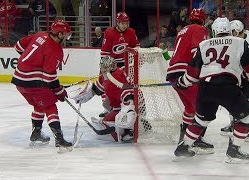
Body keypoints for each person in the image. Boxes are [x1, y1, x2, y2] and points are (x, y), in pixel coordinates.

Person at [174, 17, 249, 163]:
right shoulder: (240, 42)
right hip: (228, 87)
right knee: (248, 116)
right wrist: (244, 78)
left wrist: (182, 82)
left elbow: (192, 74)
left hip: (205, 89)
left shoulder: (204, 44)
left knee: (201, 120)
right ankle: (234, 150)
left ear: (214, 31)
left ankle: (184, 147)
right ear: (228, 30)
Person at [11, 20, 73, 148]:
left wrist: (32, 63)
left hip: (18, 80)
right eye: (66, 33)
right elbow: (49, 78)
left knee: (39, 105)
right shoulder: (56, 49)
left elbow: (18, 46)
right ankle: (59, 139)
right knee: (50, 107)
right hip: (33, 83)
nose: (67, 36)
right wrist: (59, 91)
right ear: (60, 33)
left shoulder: (39, 35)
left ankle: (36, 133)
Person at [163, 8, 213, 154]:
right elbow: (196, 53)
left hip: (173, 73)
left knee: (190, 108)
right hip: (185, 73)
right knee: (202, 108)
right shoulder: (200, 29)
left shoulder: (183, 30)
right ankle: (193, 140)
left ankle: (184, 138)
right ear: (202, 20)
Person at [71, 56, 148, 143]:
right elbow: (97, 90)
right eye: (102, 66)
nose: (103, 69)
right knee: (105, 107)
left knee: (126, 107)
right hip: (118, 106)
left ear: (111, 66)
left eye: (105, 66)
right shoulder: (104, 76)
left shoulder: (120, 74)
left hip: (133, 104)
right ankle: (129, 124)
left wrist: (129, 105)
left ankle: (132, 129)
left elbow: (130, 90)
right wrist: (84, 96)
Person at [99, 12, 140, 117]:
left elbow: (136, 46)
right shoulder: (109, 32)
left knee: (125, 85)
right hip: (111, 64)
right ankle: (108, 108)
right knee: (105, 85)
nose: (125, 25)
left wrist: (132, 61)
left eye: (126, 23)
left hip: (124, 63)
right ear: (117, 23)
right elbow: (105, 52)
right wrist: (106, 68)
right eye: (122, 23)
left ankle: (123, 107)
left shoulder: (131, 32)